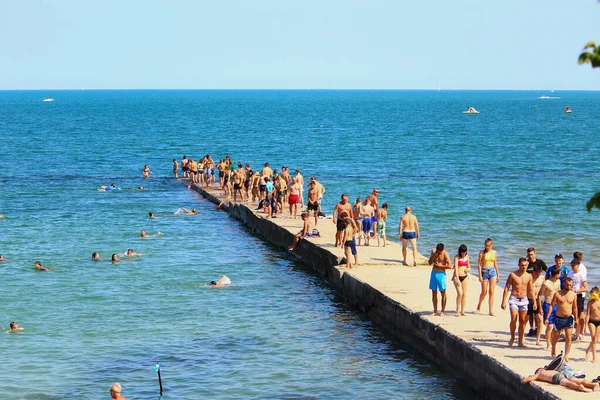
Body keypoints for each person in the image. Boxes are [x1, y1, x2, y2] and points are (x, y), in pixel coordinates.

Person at [501, 257, 535, 347]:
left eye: (525, 265)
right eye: (522, 265)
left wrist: (535, 302)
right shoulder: (513, 275)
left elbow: (531, 290)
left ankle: (520, 341)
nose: (524, 267)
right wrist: (503, 301)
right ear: (519, 265)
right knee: (513, 319)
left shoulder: (528, 276)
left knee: (522, 321)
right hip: (514, 299)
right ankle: (512, 337)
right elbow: (507, 287)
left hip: (524, 300)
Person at [547, 277, 577, 362]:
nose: (569, 286)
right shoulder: (557, 294)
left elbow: (575, 308)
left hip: (569, 318)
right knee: (556, 337)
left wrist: (577, 319)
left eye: (571, 285)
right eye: (567, 284)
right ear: (564, 284)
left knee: (569, 338)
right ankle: (553, 349)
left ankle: (566, 356)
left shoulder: (573, 294)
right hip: (559, 318)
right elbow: (552, 305)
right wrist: (547, 317)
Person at [522, 367, 599, 392]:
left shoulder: (538, 374)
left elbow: (526, 380)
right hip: (562, 373)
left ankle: (580, 387)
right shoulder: (549, 370)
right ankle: (593, 385)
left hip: (556, 377)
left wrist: (527, 378)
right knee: (578, 380)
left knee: (567, 383)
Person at [477, 238, 500, 316]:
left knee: (491, 292)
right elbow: (479, 264)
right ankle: (479, 304)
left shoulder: (494, 252)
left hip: (492, 271)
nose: (488, 247)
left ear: (492, 245)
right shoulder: (482, 253)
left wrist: (498, 274)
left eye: (489, 245)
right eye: (486, 245)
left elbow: (495, 263)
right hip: (484, 272)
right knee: (484, 292)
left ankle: (490, 310)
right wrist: (479, 275)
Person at [428, 243, 452, 316]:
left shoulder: (445, 254)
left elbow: (450, 266)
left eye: (440, 252)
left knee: (443, 292)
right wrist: (434, 255)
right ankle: (435, 310)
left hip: (441, 274)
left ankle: (442, 311)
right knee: (434, 292)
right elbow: (429, 262)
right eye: (438, 251)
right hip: (434, 273)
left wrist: (441, 266)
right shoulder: (434, 251)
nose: (439, 253)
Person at [540, 268, 561, 350]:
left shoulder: (558, 282)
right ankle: (548, 344)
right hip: (547, 304)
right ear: (556, 274)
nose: (560, 276)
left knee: (555, 326)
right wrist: (539, 307)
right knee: (549, 326)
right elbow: (539, 295)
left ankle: (552, 342)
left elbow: (559, 292)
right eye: (559, 274)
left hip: (556, 305)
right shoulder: (546, 283)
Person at [569, 259, 588, 341]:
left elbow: (586, 288)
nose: (572, 267)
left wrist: (576, 291)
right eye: (571, 265)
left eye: (574, 265)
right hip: (571, 295)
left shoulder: (581, 275)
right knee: (571, 314)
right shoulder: (570, 273)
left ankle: (579, 333)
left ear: (578, 265)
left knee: (580, 315)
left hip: (579, 296)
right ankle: (572, 332)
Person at [527, 264, 545, 345]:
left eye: (539, 273)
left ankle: (538, 339)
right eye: (536, 273)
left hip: (538, 299)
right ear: (533, 272)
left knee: (540, 318)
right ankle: (530, 329)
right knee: (526, 318)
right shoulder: (529, 277)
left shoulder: (542, 278)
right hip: (528, 299)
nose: (538, 275)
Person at [452, 244, 470, 317]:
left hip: (465, 276)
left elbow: (468, 266)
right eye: (462, 252)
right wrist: (457, 279)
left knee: (464, 294)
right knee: (460, 293)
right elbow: (456, 268)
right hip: (457, 276)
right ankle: (457, 310)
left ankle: (463, 310)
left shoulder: (467, 256)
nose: (464, 253)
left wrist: (468, 269)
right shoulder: (456, 257)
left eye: (465, 252)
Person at [586, 287, 600, 363]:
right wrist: (585, 326)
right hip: (592, 321)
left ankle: (588, 349)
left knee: (596, 339)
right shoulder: (590, 303)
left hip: (599, 321)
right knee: (594, 339)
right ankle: (594, 357)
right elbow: (587, 314)